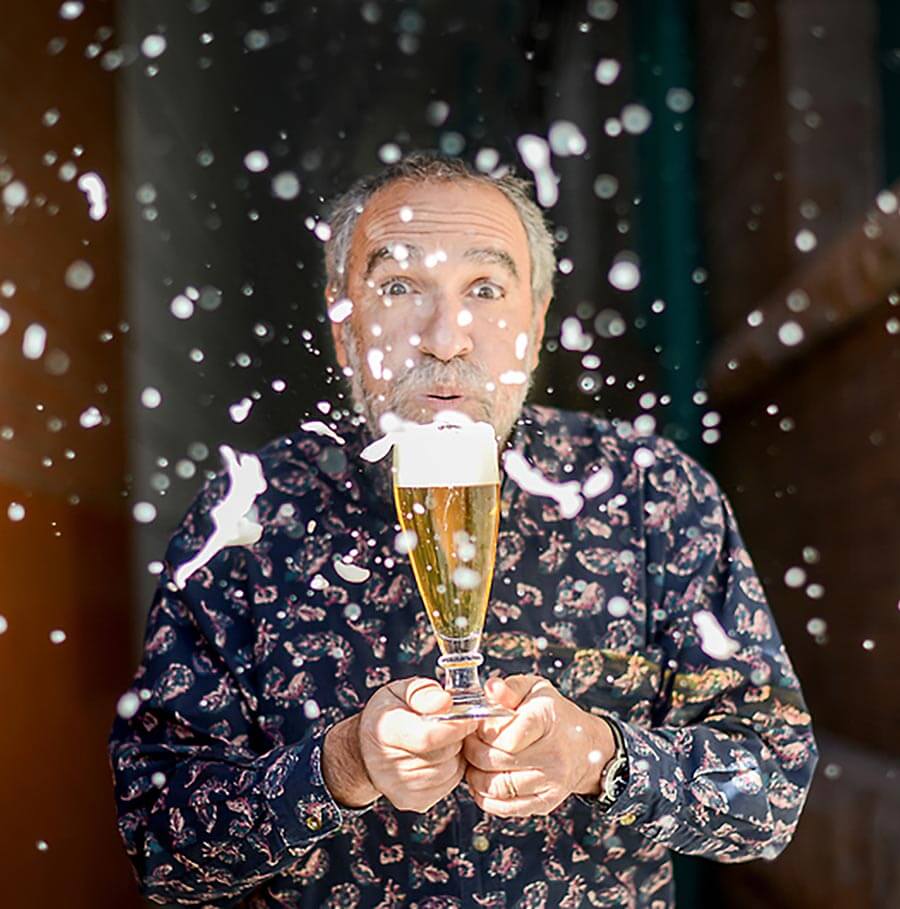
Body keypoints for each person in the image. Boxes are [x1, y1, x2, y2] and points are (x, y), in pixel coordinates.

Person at [108, 152, 819, 909]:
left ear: (535, 324)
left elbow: (770, 789)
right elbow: (160, 844)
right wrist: (340, 764)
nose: (445, 337)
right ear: (344, 328)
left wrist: (600, 756)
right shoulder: (248, 515)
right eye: (398, 286)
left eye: (484, 289)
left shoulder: (651, 494)